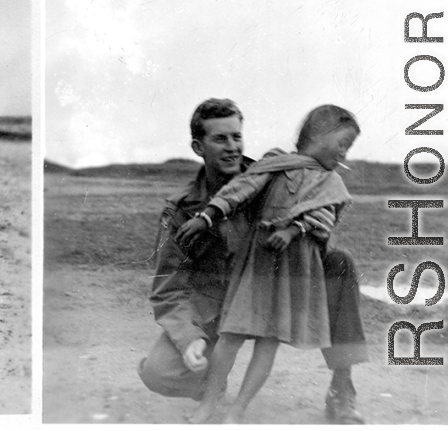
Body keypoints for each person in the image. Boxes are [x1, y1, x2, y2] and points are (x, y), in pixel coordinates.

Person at [138, 99, 368, 424]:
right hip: (218, 309)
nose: (232, 148)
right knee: (158, 373)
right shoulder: (182, 209)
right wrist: (189, 340)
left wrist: (307, 230)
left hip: (272, 289)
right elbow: (167, 288)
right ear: (197, 146)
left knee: (339, 263)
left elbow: (318, 222)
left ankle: (342, 387)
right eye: (220, 139)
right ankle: (211, 385)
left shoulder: (273, 175)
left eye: (237, 137)